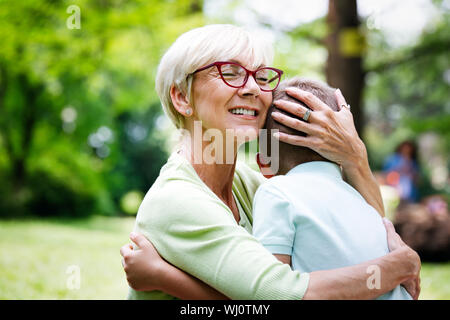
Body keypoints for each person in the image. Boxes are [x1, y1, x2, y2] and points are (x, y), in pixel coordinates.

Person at [120, 24, 421, 300]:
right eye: (231, 72)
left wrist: (354, 156)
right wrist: (398, 266)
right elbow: (287, 295)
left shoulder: (252, 184)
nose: (253, 88)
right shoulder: (176, 200)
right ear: (181, 97)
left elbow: (363, 246)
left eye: (261, 77)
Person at [253, 77, 412, 299]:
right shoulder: (364, 201)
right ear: (340, 144)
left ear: (264, 162)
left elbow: (271, 288)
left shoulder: (277, 193)